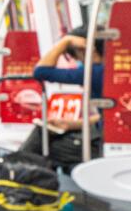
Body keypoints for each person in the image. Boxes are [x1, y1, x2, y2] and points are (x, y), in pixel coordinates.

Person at [19, 27, 105, 167]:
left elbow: (41, 71)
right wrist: (72, 124)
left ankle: (14, 171)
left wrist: (65, 41)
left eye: (75, 55)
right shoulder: (107, 70)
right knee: (46, 134)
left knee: (47, 145)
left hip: (102, 142)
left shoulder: (94, 72)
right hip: (102, 135)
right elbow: (106, 117)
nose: (77, 60)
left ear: (86, 49)